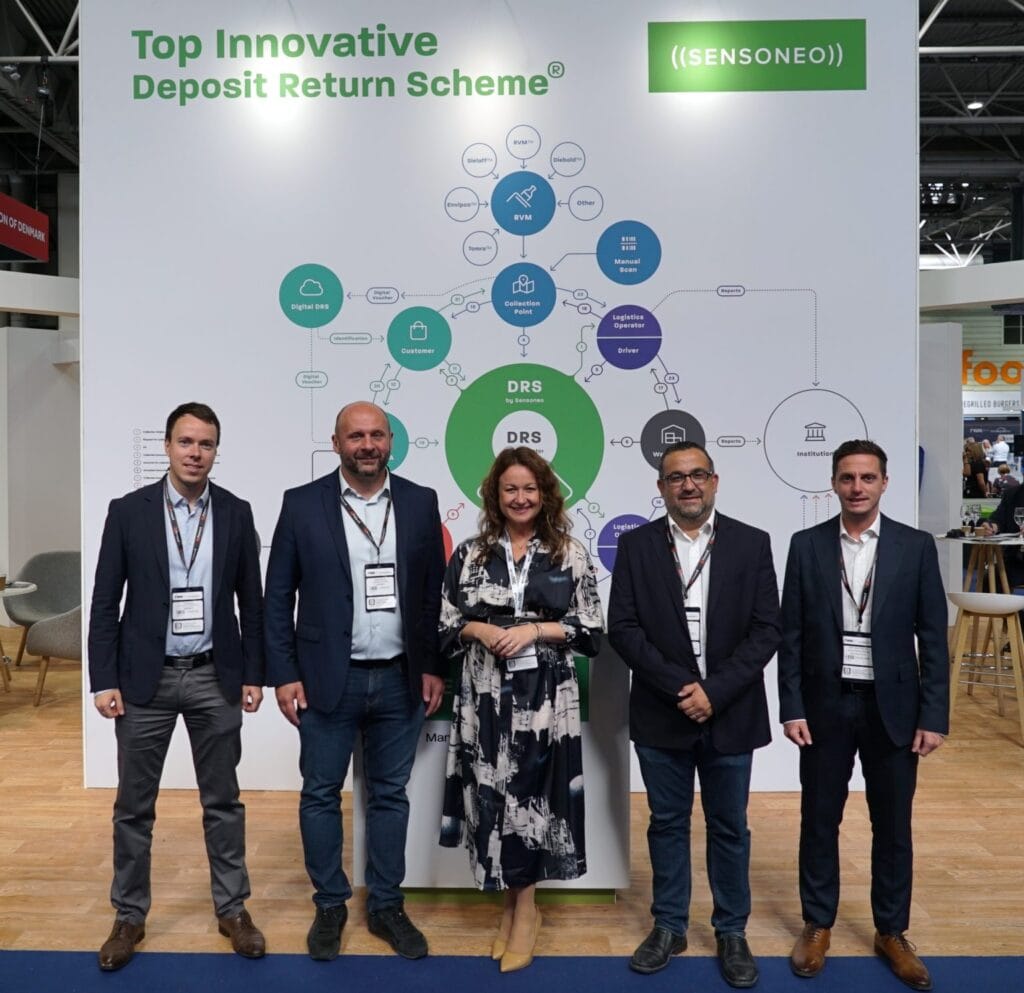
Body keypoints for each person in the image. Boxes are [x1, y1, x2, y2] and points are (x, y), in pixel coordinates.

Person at [264, 401, 445, 963]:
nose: (367, 445)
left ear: (390, 441)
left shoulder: (420, 501)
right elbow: (277, 597)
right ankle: (330, 905)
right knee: (320, 794)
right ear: (337, 443)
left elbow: (432, 595)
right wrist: (284, 674)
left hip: (399, 678)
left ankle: (387, 904)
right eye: (356, 436)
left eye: (376, 435)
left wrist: (433, 664)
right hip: (326, 680)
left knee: (390, 794)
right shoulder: (301, 504)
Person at [87, 402, 266, 972]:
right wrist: (103, 679)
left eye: (205, 444)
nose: (195, 453)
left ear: (216, 451)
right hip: (146, 680)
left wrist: (255, 672)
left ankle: (233, 909)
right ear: (167, 446)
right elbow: (104, 601)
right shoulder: (129, 511)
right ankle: (128, 916)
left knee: (223, 802)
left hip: (216, 676)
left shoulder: (235, 512)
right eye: (186, 442)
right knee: (133, 808)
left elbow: (252, 602)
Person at [778, 439, 948, 992]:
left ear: (884, 483)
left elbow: (933, 637)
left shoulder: (915, 547)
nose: (857, 487)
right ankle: (817, 924)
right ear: (833, 483)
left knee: (893, 824)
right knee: (818, 819)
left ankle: (892, 931)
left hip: (893, 707)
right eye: (848, 478)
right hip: (825, 704)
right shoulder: (805, 545)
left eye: (867, 478)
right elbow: (791, 635)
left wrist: (934, 715)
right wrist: (792, 706)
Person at [608, 441, 780, 988]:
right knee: (666, 823)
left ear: (715, 481)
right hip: (663, 711)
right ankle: (669, 926)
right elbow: (623, 628)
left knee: (729, 826)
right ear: (661, 487)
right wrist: (682, 687)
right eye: (676, 477)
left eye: (698, 474)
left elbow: (767, 630)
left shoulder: (752, 543)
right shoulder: (635, 546)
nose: (688, 485)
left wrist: (715, 691)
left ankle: (731, 931)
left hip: (731, 711)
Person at [439, 447, 603, 973]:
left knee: (531, 797)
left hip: (546, 697)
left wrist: (534, 629)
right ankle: (510, 906)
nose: (520, 498)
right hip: (485, 693)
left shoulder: (569, 553)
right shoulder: (470, 553)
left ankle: (526, 911)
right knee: (493, 795)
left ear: (545, 494)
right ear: (495, 495)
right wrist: (479, 629)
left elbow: (591, 630)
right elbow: (444, 623)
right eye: (510, 488)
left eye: (529, 488)